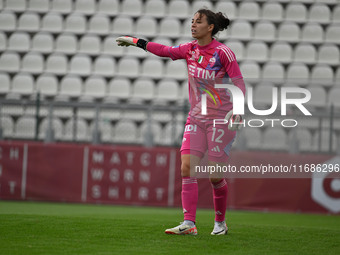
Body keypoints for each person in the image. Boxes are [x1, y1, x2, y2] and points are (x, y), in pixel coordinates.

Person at [116, 8, 245, 236]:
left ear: (211, 27)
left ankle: (220, 223)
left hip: (220, 120)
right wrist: (137, 42)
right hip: (195, 117)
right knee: (187, 167)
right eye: (192, 21)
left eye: (198, 22)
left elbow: (239, 83)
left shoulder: (224, 53)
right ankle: (189, 223)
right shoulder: (190, 49)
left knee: (215, 176)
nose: (193, 25)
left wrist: (237, 112)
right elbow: (165, 50)